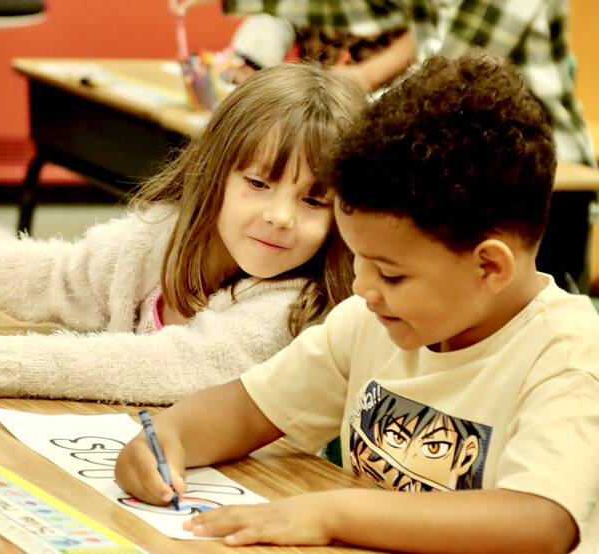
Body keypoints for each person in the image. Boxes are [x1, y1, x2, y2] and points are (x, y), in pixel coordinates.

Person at [115, 52, 599, 552]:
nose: (362, 286)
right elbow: (246, 410)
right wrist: (167, 437)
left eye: (390, 272)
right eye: (358, 259)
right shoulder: (370, 322)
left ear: (489, 267)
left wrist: (332, 513)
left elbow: (538, 522)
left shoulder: (569, 361)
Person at [0, 63, 366, 405]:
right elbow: (62, 277)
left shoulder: (298, 307)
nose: (281, 216)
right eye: (259, 183)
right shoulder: (163, 235)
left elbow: (162, 366)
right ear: (215, 173)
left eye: (313, 201)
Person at [212, 0, 597, 291]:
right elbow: (354, 10)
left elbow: (442, 72)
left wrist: (343, 102)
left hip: (545, 184)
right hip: (460, 172)